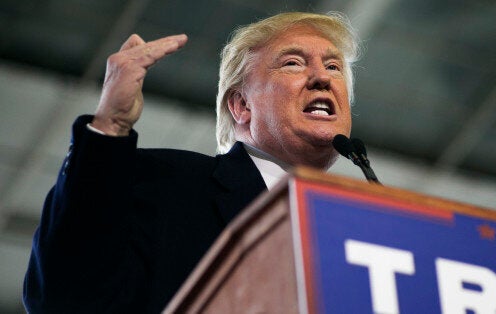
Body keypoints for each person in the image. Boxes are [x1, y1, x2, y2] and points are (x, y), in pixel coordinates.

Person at [23, 11, 360, 313]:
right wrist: (110, 125)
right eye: (293, 63)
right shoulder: (164, 184)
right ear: (242, 106)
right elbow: (65, 296)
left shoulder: (362, 235)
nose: (323, 77)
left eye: (334, 67)